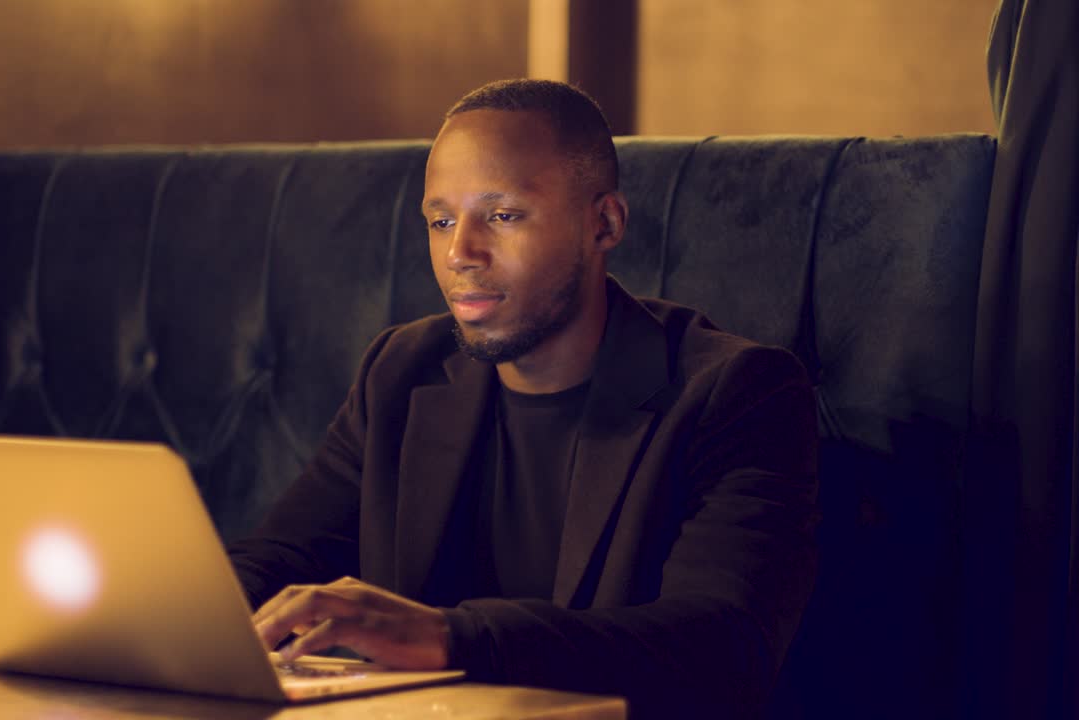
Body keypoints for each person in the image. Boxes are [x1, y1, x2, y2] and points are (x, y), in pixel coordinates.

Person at [228, 79, 818, 719]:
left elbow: (721, 652)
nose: (460, 253)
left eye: (502, 215)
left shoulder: (737, 392)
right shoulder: (401, 371)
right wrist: (180, 613)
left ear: (604, 223)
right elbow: (284, 557)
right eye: (441, 220)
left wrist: (450, 639)